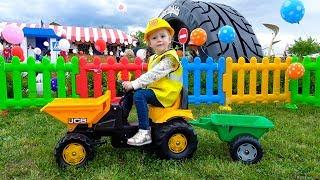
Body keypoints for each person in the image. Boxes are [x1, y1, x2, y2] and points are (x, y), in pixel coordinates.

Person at [121, 18, 183, 146]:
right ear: (149, 43)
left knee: (139, 94)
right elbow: (150, 77)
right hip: (157, 92)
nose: (159, 39)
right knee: (133, 92)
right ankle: (121, 121)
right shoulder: (154, 57)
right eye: (154, 38)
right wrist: (133, 86)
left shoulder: (170, 58)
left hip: (166, 95)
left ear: (170, 39)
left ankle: (144, 132)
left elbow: (154, 75)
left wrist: (134, 83)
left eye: (163, 36)